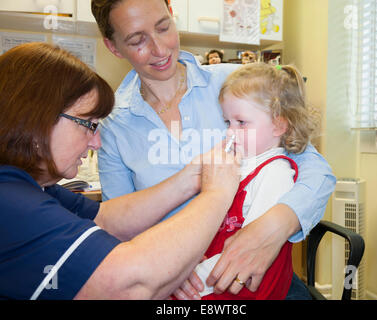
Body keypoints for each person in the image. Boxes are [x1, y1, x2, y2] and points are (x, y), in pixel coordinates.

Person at [91, 0, 336, 299]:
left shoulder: (236, 84)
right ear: (114, 47)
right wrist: (168, 267)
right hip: (175, 285)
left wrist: (273, 227)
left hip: (256, 273)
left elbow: (317, 170)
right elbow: (117, 228)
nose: (159, 49)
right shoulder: (114, 125)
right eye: (137, 40)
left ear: (173, 16)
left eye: (163, 27)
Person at [0, 42, 240, 300]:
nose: (97, 142)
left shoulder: (33, 187)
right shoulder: (10, 200)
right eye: (88, 125)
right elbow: (129, 285)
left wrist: (191, 179)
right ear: (39, 119)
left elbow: (106, 220)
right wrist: (216, 194)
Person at [194, 63, 318, 299]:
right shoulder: (241, 163)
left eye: (241, 123)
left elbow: (247, 248)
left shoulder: (275, 174)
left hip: (244, 288)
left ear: (279, 125)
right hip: (219, 276)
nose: (230, 132)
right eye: (227, 122)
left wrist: (193, 279)